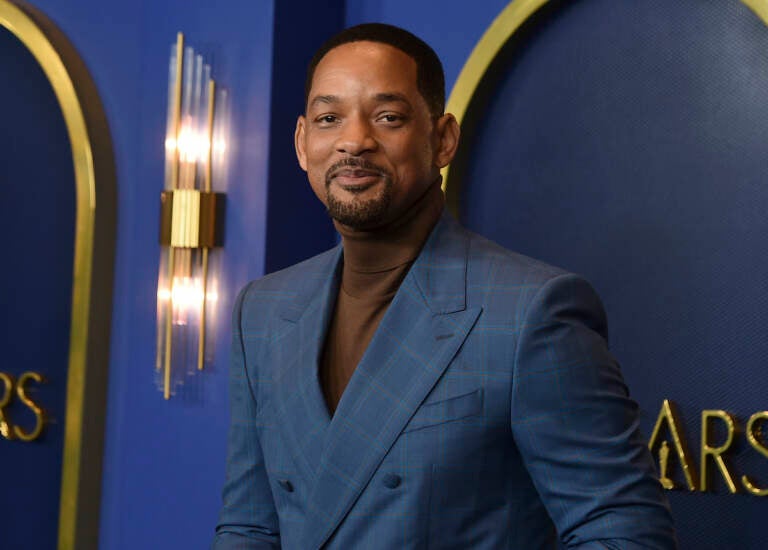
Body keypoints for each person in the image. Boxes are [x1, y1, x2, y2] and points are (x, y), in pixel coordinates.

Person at [213, 23, 676, 549]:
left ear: (443, 138)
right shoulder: (265, 310)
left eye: (387, 117)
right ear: (302, 143)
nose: (353, 141)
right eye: (328, 118)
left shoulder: (532, 312)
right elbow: (249, 526)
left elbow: (623, 535)